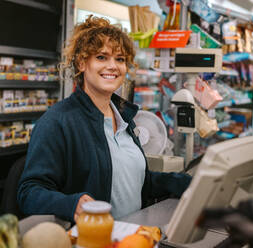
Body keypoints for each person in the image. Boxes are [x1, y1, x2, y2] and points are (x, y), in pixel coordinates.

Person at [17, 15, 191, 223]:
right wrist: (71, 204)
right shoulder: (58, 122)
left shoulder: (125, 117)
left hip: (131, 235)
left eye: (120, 59)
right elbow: (29, 192)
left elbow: (132, 180)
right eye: (101, 57)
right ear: (82, 63)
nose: (113, 66)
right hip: (91, 238)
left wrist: (187, 183)